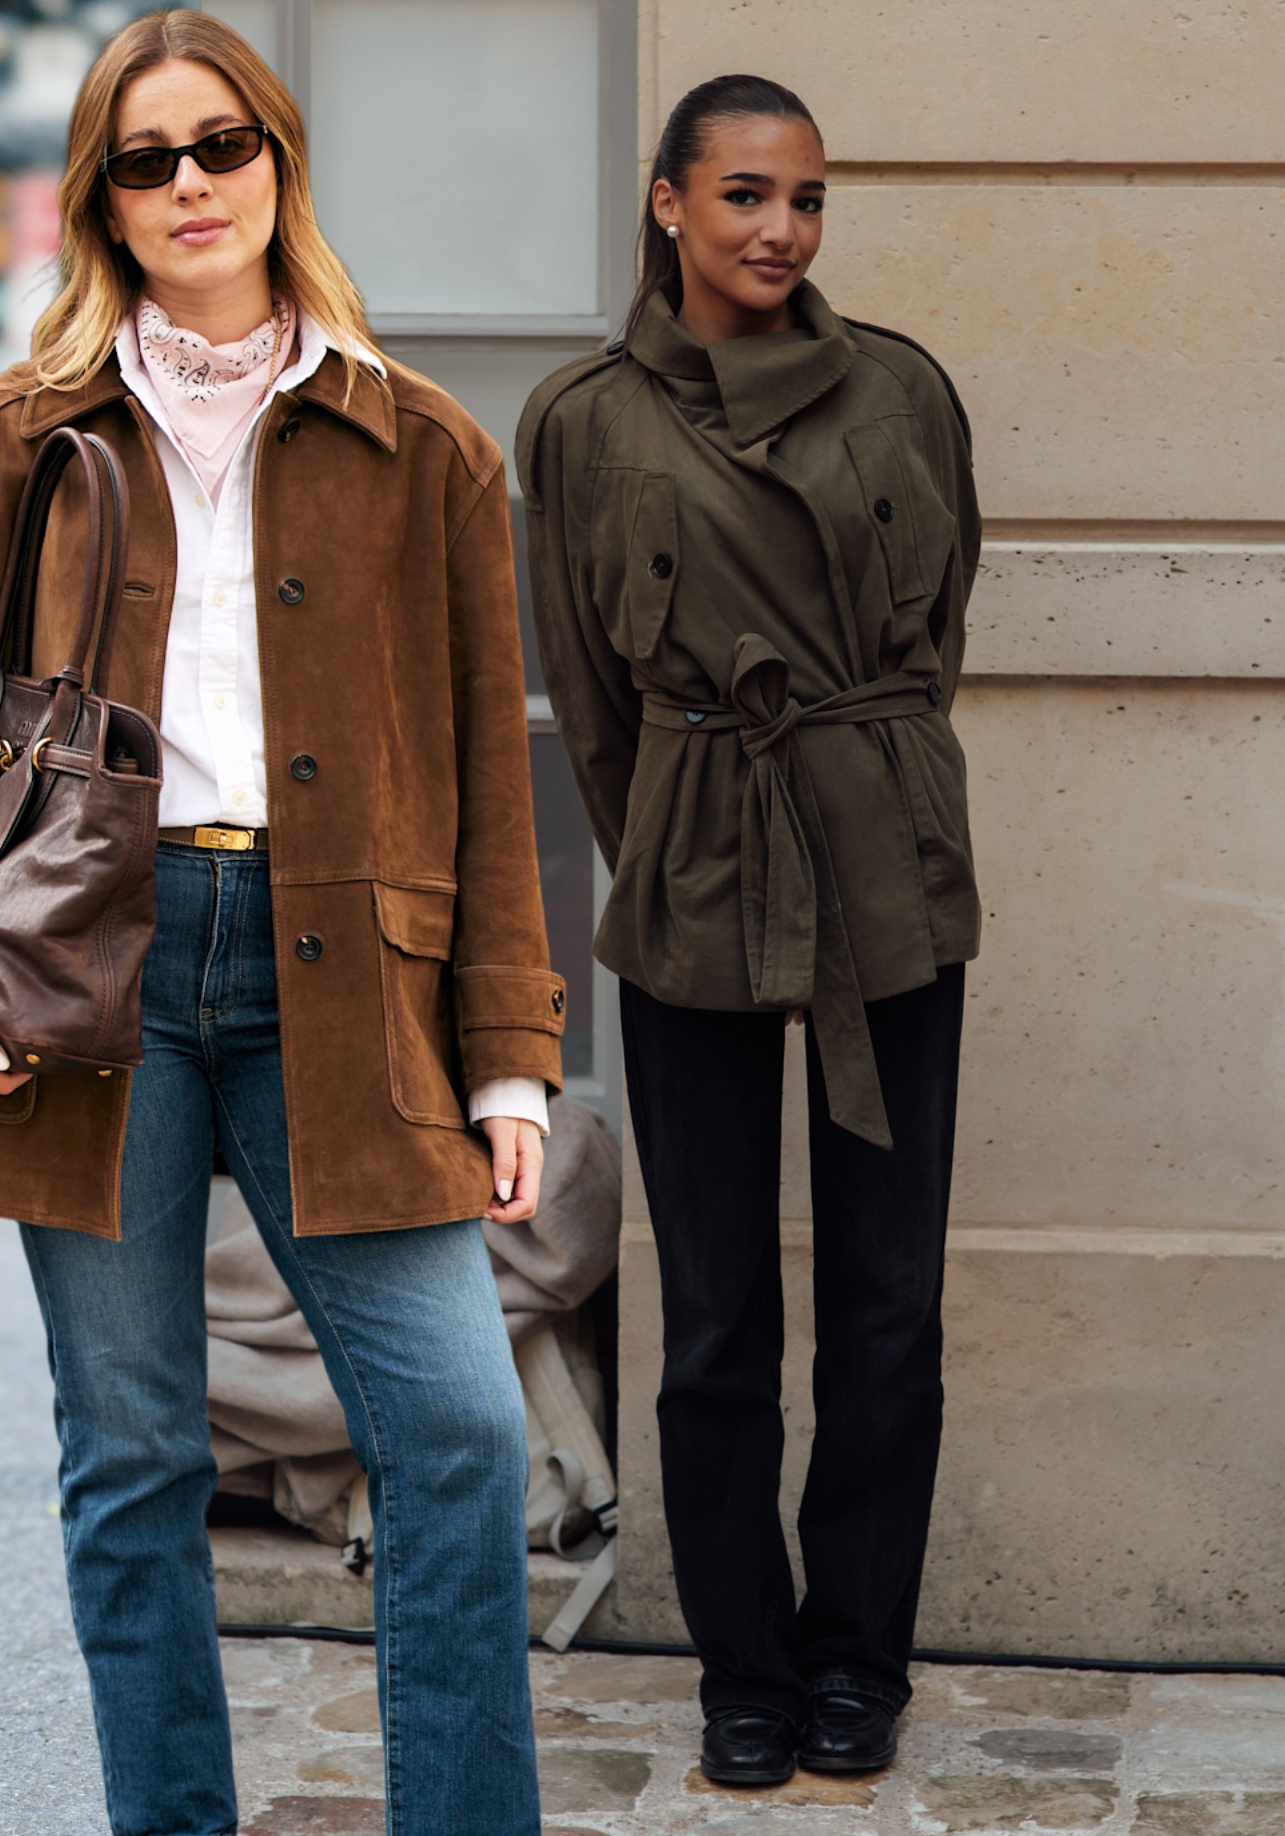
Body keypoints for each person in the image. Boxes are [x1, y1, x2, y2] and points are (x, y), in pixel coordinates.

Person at [0, 14, 564, 1833]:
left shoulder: (425, 448)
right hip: (81, 976)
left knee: (458, 1431)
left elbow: (484, 770)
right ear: (101, 203)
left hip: (344, 979)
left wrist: (507, 1055)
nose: (191, 184)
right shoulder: (3, 445)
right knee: (132, 1454)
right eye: (146, 161)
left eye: (222, 145)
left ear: (276, 161)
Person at [520, 75, 979, 1788]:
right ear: (666, 203)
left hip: (884, 862)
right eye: (740, 195)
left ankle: (859, 1656)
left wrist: (866, 785)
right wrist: (676, 836)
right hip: (693, 868)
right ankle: (743, 1665)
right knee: (713, 1310)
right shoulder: (580, 421)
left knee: (887, 1300)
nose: (778, 229)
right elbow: (590, 695)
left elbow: (933, 637)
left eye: (803, 199)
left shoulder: (902, 391)